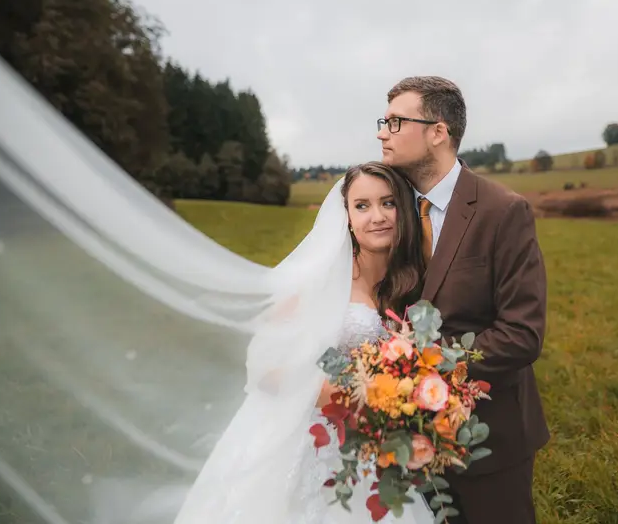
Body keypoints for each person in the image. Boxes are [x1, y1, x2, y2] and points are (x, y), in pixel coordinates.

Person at [171, 161, 436, 524]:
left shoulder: (409, 283)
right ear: (345, 216)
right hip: (308, 437)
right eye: (362, 206)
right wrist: (332, 389)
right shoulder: (319, 282)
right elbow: (263, 363)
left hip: (374, 442)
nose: (377, 216)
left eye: (388, 203)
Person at [377, 76, 550, 524]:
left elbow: (522, 334)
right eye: (384, 121)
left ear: (438, 131)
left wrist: (420, 369)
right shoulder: (386, 209)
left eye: (396, 122)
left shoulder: (503, 211)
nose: (382, 132)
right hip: (403, 440)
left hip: (488, 439)